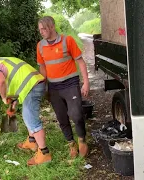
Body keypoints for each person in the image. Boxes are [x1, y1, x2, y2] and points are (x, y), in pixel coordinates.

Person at [0, 53, 51, 165]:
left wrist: (3, 97)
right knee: (27, 115)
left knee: (31, 119)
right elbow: (17, 81)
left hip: (32, 87)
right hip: (35, 83)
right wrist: (13, 104)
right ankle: (31, 142)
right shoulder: (3, 60)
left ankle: (44, 153)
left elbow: (1, 80)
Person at [36, 16, 90, 158]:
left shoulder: (68, 41)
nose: (41, 32)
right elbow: (42, 68)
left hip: (70, 83)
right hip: (54, 87)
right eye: (40, 29)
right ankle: (71, 144)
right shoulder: (40, 46)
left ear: (52, 27)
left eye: (44, 28)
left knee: (76, 114)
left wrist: (86, 82)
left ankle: (82, 140)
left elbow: (80, 61)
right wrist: (44, 87)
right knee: (61, 117)